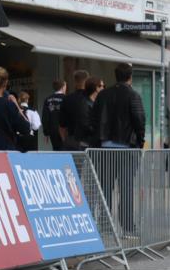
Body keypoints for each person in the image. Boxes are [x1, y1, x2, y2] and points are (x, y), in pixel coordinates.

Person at [91, 63, 145, 235]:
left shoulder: (103, 95)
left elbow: (94, 118)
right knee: (126, 187)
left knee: (105, 187)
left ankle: (105, 224)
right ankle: (128, 227)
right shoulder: (133, 95)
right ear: (130, 77)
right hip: (126, 147)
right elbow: (139, 120)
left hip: (105, 147)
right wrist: (140, 142)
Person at [60, 69, 91, 149]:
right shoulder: (91, 98)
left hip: (71, 138)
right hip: (88, 139)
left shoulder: (67, 99)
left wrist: (64, 140)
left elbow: (62, 125)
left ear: (75, 81)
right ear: (87, 81)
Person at [41, 80, 67, 150]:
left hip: (53, 130)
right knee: (66, 151)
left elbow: (45, 117)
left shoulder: (48, 99)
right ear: (63, 87)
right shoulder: (66, 98)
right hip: (64, 130)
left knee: (56, 149)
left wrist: (46, 132)